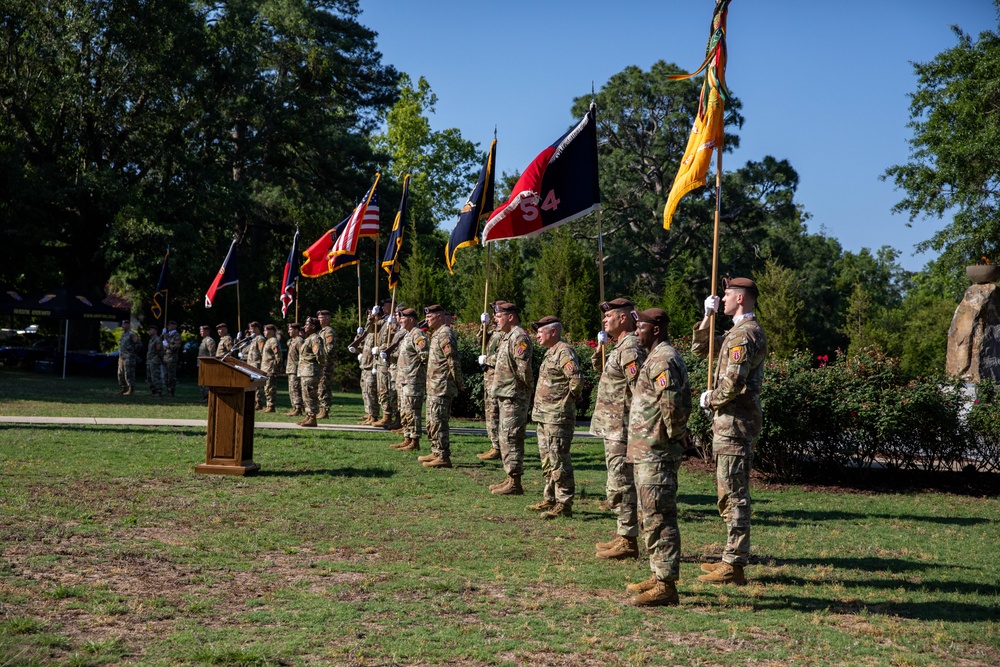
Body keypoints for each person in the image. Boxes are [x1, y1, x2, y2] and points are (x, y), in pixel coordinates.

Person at [693, 277, 768, 586]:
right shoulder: (735, 333)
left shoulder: (744, 335)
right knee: (727, 492)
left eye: (725, 295)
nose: (721, 299)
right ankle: (730, 558)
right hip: (729, 423)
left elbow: (733, 383)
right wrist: (707, 317)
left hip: (735, 423)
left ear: (740, 298)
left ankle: (734, 562)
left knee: (733, 495)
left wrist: (710, 398)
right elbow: (701, 349)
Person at [623, 308, 691, 606]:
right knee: (648, 515)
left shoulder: (663, 359)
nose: (637, 331)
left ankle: (666, 585)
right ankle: (657, 572)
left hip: (657, 451)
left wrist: (673, 440)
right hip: (645, 450)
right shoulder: (654, 356)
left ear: (657, 330)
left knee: (659, 517)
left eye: (642, 327)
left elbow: (672, 406)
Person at [590, 297, 646, 560]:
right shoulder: (621, 346)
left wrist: (637, 429)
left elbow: (639, 390)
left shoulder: (631, 347)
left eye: (608, 316)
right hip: (612, 426)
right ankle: (625, 534)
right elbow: (604, 371)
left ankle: (628, 540)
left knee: (621, 485)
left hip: (622, 427)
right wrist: (600, 348)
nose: (604, 319)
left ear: (623, 318)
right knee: (617, 483)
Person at [528, 316, 582, 519]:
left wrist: (566, 402)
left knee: (559, 460)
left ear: (553, 332)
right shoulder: (550, 353)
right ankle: (550, 498)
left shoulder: (564, 351)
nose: (537, 335)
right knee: (548, 461)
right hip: (544, 416)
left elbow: (576, 379)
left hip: (557, 417)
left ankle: (564, 503)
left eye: (541, 331)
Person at [488, 302, 534, 495]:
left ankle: (515, 482)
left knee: (512, 437)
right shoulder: (508, 337)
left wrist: (526, 392)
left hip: (514, 395)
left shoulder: (519, 337)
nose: (495, 319)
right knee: (505, 437)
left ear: (511, 317)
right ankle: (509, 477)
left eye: (499, 316)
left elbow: (523, 369)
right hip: (505, 393)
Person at [417, 304, 464, 468]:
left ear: (439, 316)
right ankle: (436, 451)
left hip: (442, 386)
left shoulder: (445, 334)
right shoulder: (437, 334)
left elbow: (453, 361)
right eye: (427, 317)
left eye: (430, 317)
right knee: (432, 421)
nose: (427, 320)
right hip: (433, 386)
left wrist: (459, 383)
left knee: (439, 421)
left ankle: (443, 456)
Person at [390, 307, 429, 452]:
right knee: (404, 410)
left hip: (412, 380)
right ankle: (407, 437)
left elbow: (424, 355)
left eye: (403, 317)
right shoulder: (407, 335)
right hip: (403, 379)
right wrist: (386, 355)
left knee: (412, 411)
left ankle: (414, 440)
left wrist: (418, 371)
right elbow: (402, 356)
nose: (400, 320)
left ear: (411, 319)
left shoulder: (418, 334)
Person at [475, 301, 505, 461]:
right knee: (490, 413)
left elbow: (503, 358)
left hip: (498, 380)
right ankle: (494, 445)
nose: (495, 317)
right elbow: (481, 342)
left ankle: (499, 447)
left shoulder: (507, 335)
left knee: (495, 414)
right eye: (494, 315)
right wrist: (483, 326)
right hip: (489, 379)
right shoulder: (495, 331)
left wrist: (487, 359)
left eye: (498, 315)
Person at [348, 311, 379, 425]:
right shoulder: (368, 334)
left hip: (371, 366)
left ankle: (374, 415)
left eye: (370, 318)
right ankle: (369, 414)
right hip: (364, 365)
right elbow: (360, 348)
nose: (368, 320)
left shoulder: (375, 332)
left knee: (371, 391)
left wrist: (375, 365)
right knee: (365, 391)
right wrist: (358, 338)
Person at [373, 299, 400, 428]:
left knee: (389, 390)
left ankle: (390, 416)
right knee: (382, 389)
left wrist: (379, 349)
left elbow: (393, 343)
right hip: (380, 361)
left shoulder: (394, 322)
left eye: (385, 305)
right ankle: (386, 415)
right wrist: (372, 316)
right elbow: (370, 329)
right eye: (382, 306)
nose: (383, 308)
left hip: (388, 362)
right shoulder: (384, 321)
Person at [297, 317, 326, 428]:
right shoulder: (309, 338)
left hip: (310, 371)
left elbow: (319, 353)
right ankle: (308, 416)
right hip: (305, 371)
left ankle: (313, 418)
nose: (304, 327)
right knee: (305, 395)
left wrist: (321, 365)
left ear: (313, 327)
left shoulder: (315, 338)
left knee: (310, 394)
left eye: (307, 324)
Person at [316, 309, 337, 419]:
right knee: (321, 386)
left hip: (326, 363)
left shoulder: (329, 331)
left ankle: (325, 410)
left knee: (324, 386)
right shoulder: (322, 331)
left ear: (328, 318)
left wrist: (323, 359)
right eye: (319, 318)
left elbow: (330, 348)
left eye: (322, 318)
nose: (320, 320)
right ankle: (321, 408)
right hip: (321, 363)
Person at [260, 324, 282, 413]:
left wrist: (278, 365)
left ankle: (271, 405)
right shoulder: (268, 341)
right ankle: (269, 405)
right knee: (267, 387)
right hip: (266, 368)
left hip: (270, 368)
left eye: (266, 330)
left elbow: (278, 354)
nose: (264, 332)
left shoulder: (273, 341)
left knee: (270, 387)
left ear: (271, 331)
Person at [243, 321, 265, 410]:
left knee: (257, 386)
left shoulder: (260, 339)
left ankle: (258, 403)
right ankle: (253, 401)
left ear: (256, 328)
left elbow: (262, 352)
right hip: (251, 364)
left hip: (256, 364)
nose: (250, 330)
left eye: (251, 328)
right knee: (251, 385)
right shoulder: (253, 339)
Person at [285, 323, 304, 417]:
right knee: (291, 389)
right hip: (291, 368)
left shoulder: (299, 341)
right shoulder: (293, 340)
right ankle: (294, 407)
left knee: (295, 388)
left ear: (296, 330)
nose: (289, 331)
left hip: (296, 368)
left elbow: (302, 354)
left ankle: (298, 408)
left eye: (291, 329)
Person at [117, 319, 141, 396]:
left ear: (128, 325)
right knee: (120, 373)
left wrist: (132, 351)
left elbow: (138, 344)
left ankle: (131, 389)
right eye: (122, 324)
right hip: (121, 357)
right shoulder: (123, 334)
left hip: (129, 357)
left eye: (124, 324)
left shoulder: (132, 334)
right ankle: (123, 388)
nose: (122, 326)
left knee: (129, 373)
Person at [162, 320, 182, 397]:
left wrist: (167, 344)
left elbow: (176, 347)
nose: (169, 326)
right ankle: (168, 390)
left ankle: (171, 391)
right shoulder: (167, 335)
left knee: (171, 376)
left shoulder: (176, 336)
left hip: (172, 358)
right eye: (168, 325)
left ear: (175, 326)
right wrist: (163, 335)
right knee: (166, 376)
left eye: (171, 325)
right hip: (165, 358)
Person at [197, 325, 216, 401]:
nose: (200, 332)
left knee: (206, 381)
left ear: (207, 331)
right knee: (202, 381)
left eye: (202, 331)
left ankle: (207, 397)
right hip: (201, 363)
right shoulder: (204, 340)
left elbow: (212, 353)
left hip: (207, 364)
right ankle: (204, 396)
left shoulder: (209, 341)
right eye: (200, 331)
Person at [146, 325, 164, 396]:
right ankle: (153, 391)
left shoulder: (157, 340)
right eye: (150, 330)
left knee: (155, 376)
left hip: (155, 360)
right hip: (149, 361)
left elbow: (159, 350)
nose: (150, 331)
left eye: (152, 330)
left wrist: (159, 359)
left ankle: (158, 391)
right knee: (149, 377)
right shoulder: (151, 340)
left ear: (156, 331)